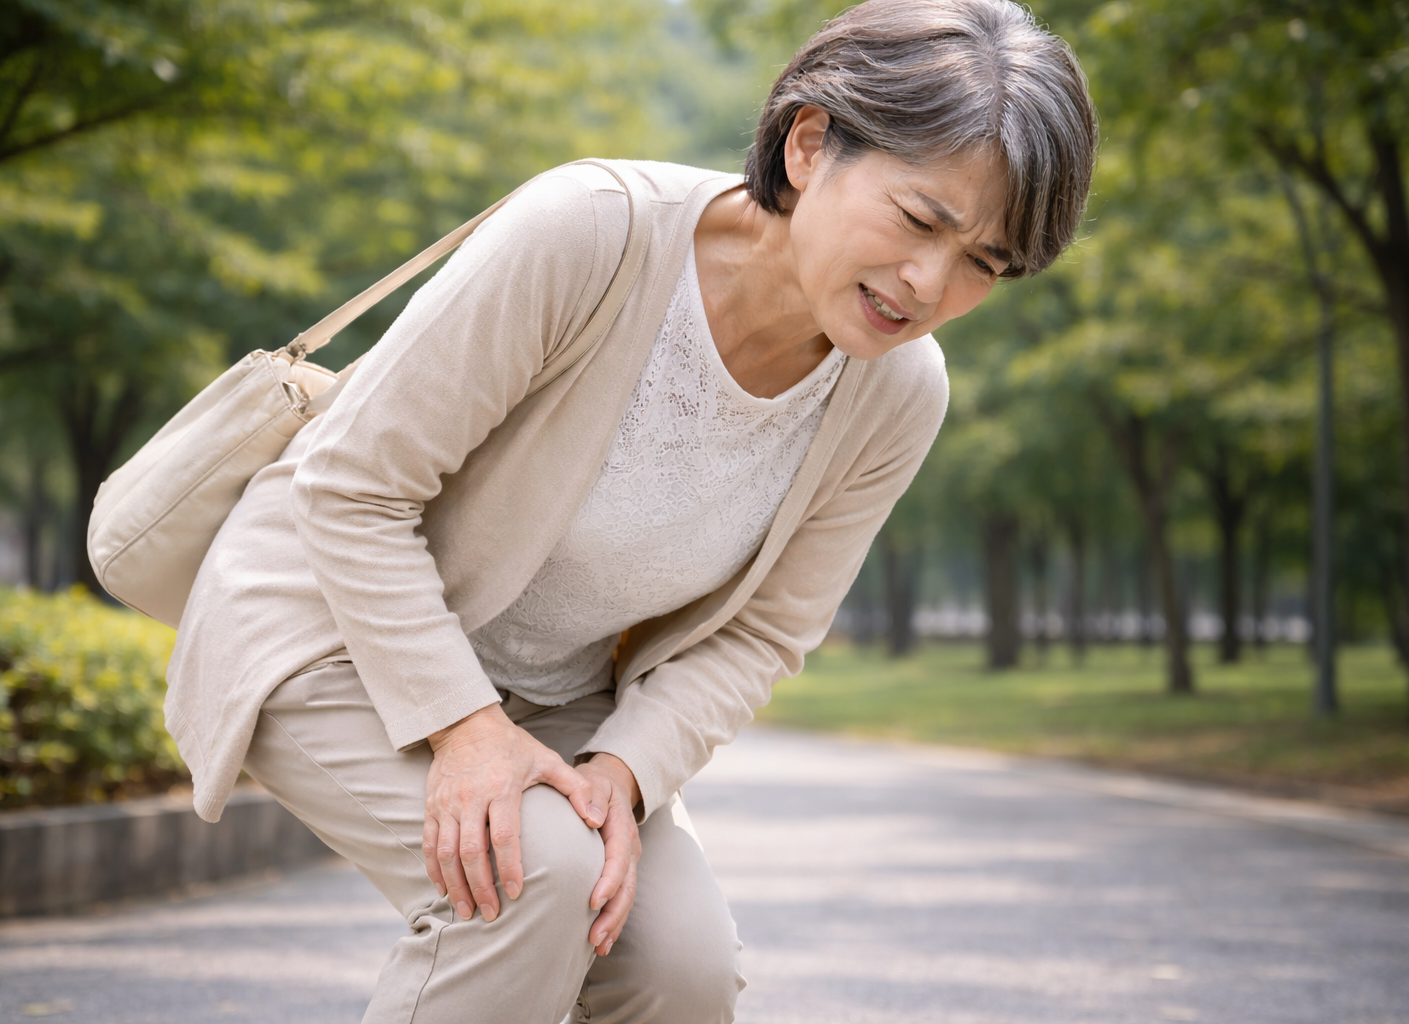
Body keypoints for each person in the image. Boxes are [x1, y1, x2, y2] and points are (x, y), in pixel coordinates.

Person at [164, 1, 1097, 1020]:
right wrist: (467, 729)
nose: (930, 284)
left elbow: (764, 632)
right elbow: (350, 489)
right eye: (922, 220)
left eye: (985, 265)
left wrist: (623, 767)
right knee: (536, 880)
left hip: (560, 702)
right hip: (325, 620)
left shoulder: (899, 392)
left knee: (678, 967)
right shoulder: (588, 232)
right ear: (810, 143)